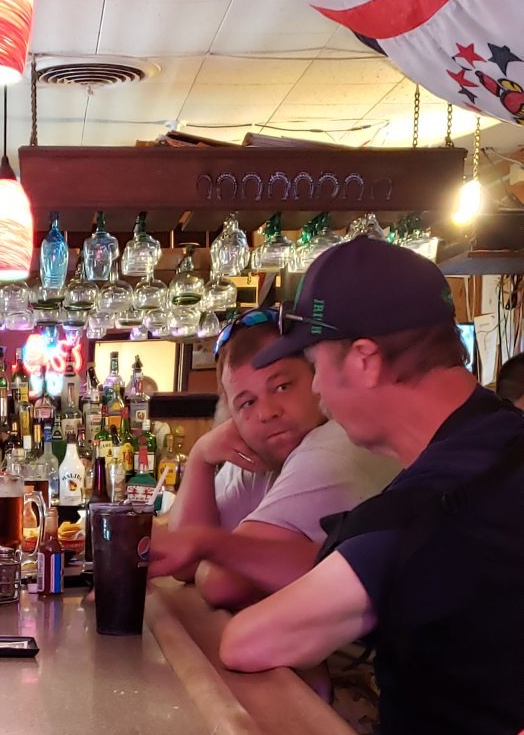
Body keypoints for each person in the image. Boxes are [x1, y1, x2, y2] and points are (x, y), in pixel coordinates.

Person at [218, 237, 524, 735]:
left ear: (364, 359)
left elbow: (248, 642)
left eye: (316, 366)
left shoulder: (432, 507)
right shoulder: (502, 438)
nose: (317, 388)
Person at [155, 308, 397, 609]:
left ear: (318, 379)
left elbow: (222, 582)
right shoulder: (259, 457)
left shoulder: (335, 445)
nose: (267, 412)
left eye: (282, 387)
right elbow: (183, 563)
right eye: (247, 402)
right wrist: (200, 457)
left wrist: (209, 547)